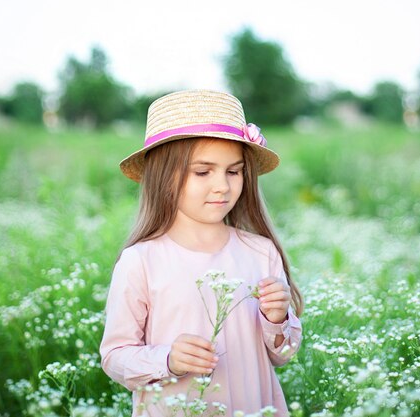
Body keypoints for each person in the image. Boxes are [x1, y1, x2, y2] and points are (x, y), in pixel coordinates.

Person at [100, 90, 303, 417]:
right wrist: (168, 360)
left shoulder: (260, 252)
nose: (222, 186)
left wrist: (276, 318)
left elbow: (282, 354)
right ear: (164, 178)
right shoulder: (141, 261)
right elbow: (114, 357)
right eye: (203, 172)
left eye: (233, 171)